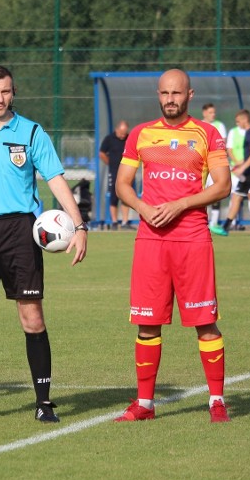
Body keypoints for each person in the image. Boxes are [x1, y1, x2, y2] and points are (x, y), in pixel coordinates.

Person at [0, 65, 87, 423]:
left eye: (5, 91)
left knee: (32, 316)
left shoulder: (32, 131)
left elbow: (55, 180)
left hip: (19, 231)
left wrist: (80, 225)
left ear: (13, 92)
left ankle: (44, 403)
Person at [113, 68, 232, 423]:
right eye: (164, 93)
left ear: (189, 95)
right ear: (158, 94)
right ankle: (145, 404)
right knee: (147, 324)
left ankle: (216, 401)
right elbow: (122, 184)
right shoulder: (141, 134)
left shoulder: (207, 134)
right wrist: (144, 208)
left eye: (176, 93)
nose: (170, 100)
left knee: (205, 322)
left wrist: (180, 205)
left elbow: (222, 185)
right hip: (150, 240)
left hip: (193, 238)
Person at [210, 109, 250, 236]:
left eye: (238, 121)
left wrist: (243, 167)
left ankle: (225, 227)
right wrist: (240, 163)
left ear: (245, 120)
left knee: (236, 197)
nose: (237, 124)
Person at [99, 120, 133, 229]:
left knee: (126, 196)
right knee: (114, 196)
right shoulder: (109, 139)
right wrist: (110, 162)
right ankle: (114, 222)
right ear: (117, 130)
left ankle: (125, 222)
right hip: (114, 172)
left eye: (124, 133)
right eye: (121, 133)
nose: (123, 136)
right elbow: (102, 153)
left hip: (127, 172)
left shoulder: (129, 138)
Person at [202, 103, 228, 227]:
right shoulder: (199, 125)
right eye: (211, 112)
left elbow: (222, 144)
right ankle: (202, 221)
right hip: (201, 166)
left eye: (214, 112)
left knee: (215, 193)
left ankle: (214, 222)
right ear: (204, 113)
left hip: (214, 164)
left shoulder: (219, 126)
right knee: (201, 193)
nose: (213, 114)